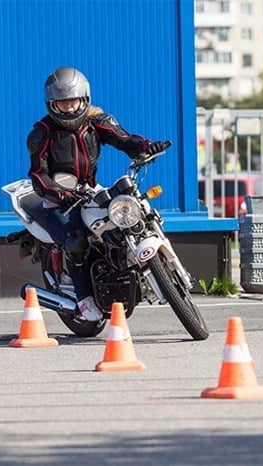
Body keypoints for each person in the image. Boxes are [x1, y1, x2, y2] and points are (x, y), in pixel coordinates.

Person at [27, 66, 164, 321]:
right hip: (58, 200)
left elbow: (123, 139)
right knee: (76, 239)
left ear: (84, 99)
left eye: (73, 101)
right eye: (62, 103)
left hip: (90, 190)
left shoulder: (96, 122)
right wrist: (58, 194)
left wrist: (146, 146)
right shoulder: (42, 134)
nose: (68, 108)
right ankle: (84, 298)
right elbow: (38, 174)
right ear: (51, 104)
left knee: (129, 211)